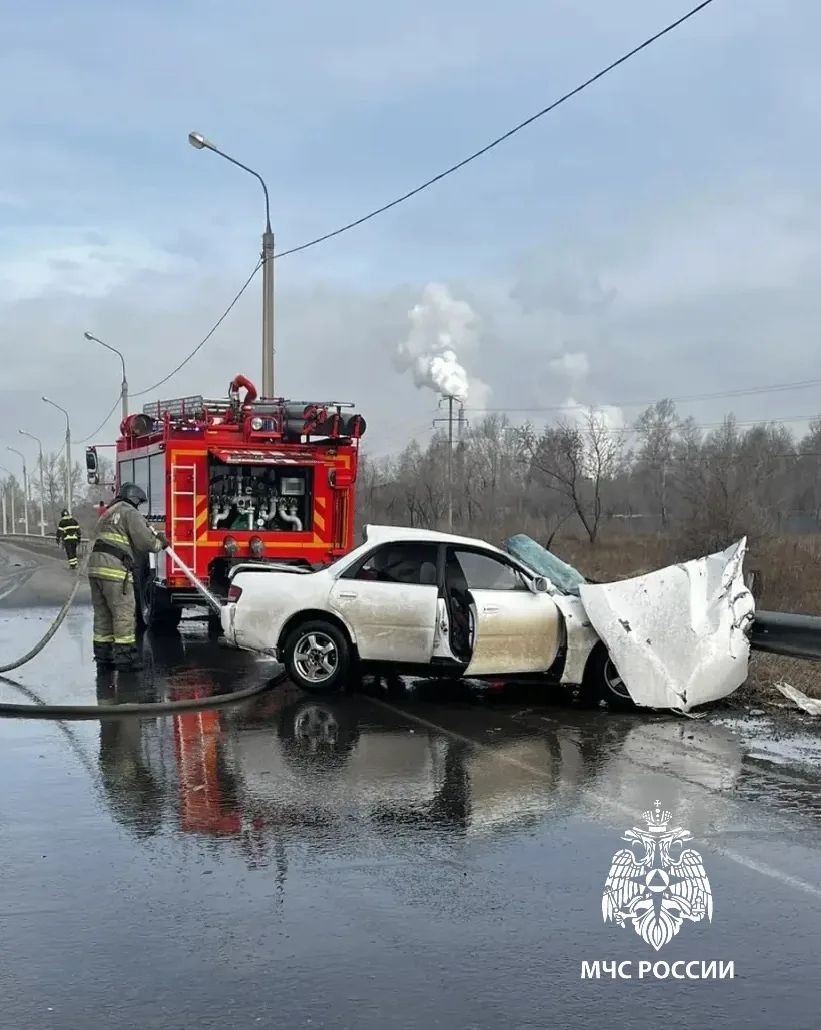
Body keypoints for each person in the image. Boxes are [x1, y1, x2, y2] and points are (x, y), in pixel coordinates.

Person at [87, 483, 168, 671]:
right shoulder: (129, 512)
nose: (138, 507)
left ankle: (103, 656)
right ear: (134, 499)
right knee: (123, 612)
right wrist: (160, 543)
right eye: (138, 503)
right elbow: (146, 542)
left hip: (95, 569)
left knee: (103, 614)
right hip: (114, 569)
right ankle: (126, 659)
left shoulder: (108, 513)